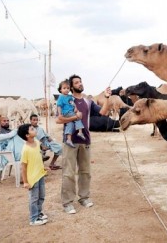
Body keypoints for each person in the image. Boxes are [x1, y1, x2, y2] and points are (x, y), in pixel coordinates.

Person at [56, 74, 111, 214]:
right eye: (76, 82)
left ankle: (84, 197)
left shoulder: (88, 102)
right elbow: (59, 119)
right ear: (71, 86)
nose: (80, 84)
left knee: (85, 171)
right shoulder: (67, 99)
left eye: (80, 82)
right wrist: (75, 117)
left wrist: (107, 98)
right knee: (68, 173)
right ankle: (67, 202)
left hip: (85, 140)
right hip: (70, 141)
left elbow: (103, 112)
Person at [17, 124, 49, 226]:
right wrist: (25, 181)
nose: (34, 129)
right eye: (32, 129)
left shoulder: (37, 142)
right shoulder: (25, 149)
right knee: (34, 198)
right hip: (32, 178)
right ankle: (33, 218)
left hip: (40, 175)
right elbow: (24, 166)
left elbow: (38, 158)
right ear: (27, 135)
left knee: (41, 196)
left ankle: (38, 213)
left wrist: (43, 167)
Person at [57, 79, 87, 148]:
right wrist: (60, 114)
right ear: (60, 90)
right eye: (64, 88)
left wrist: (75, 108)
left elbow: (72, 103)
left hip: (71, 111)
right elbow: (59, 106)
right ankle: (80, 132)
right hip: (67, 113)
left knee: (70, 124)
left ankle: (69, 139)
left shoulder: (70, 97)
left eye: (68, 88)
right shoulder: (61, 97)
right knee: (78, 117)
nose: (66, 90)